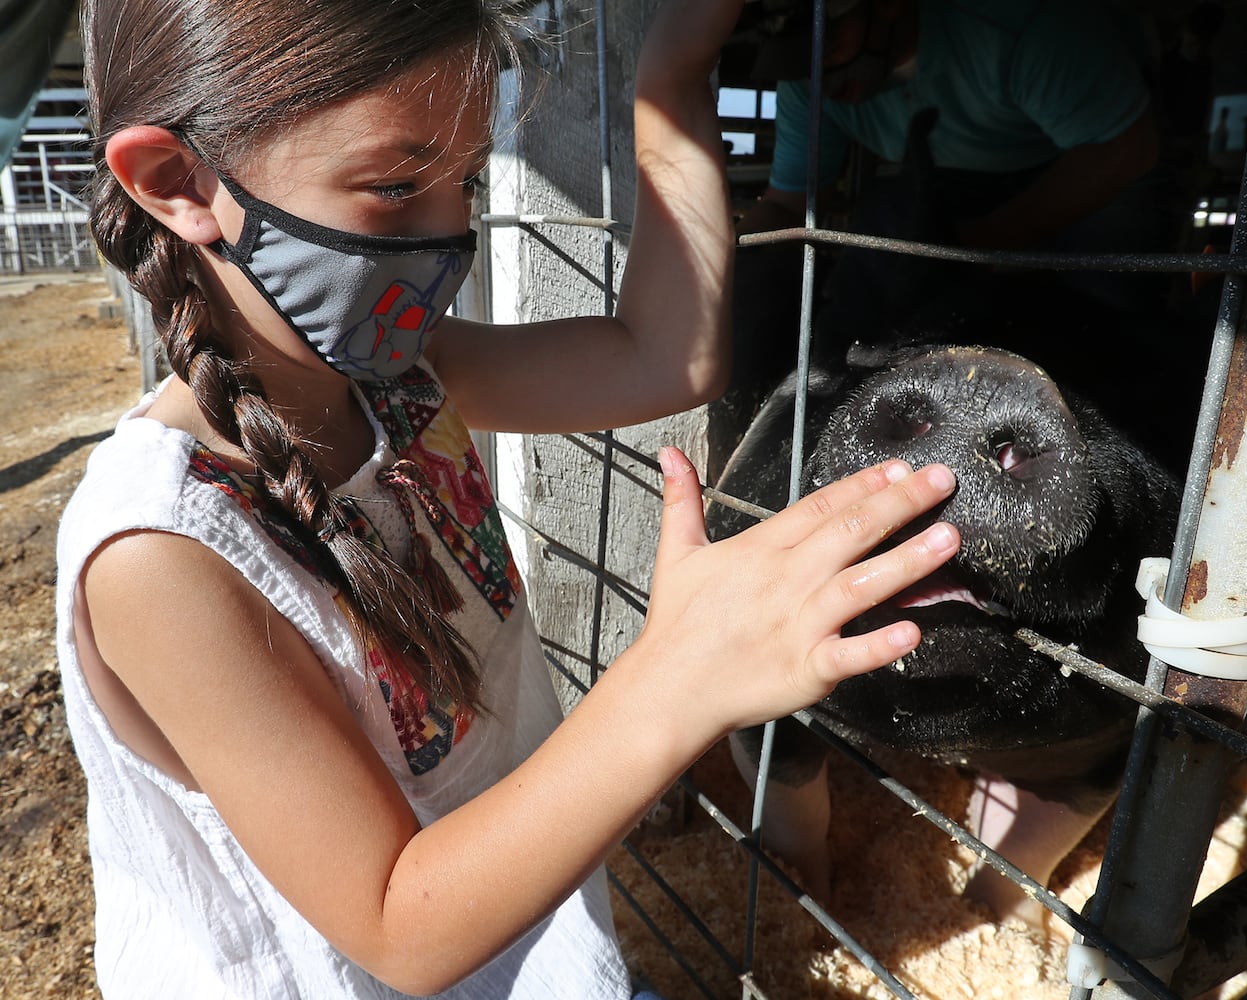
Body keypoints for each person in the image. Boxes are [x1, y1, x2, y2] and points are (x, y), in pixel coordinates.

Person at [57, 0, 962, 997]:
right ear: (178, 183)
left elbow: (670, 355)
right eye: (396, 186)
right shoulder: (161, 553)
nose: (451, 237)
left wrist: (672, 72)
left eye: (466, 182)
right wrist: (682, 673)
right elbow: (398, 925)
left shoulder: (396, 374)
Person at [720, 0, 1170, 434]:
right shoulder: (810, 79)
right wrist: (719, 266)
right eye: (798, 53)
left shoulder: (1020, 28)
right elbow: (785, 205)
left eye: (831, 39)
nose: (816, 68)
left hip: (1090, 160)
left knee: (1105, 326)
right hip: (954, 180)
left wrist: (981, 245)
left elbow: (1127, 149)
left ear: (889, 4)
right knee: (883, 248)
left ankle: (1111, 423)